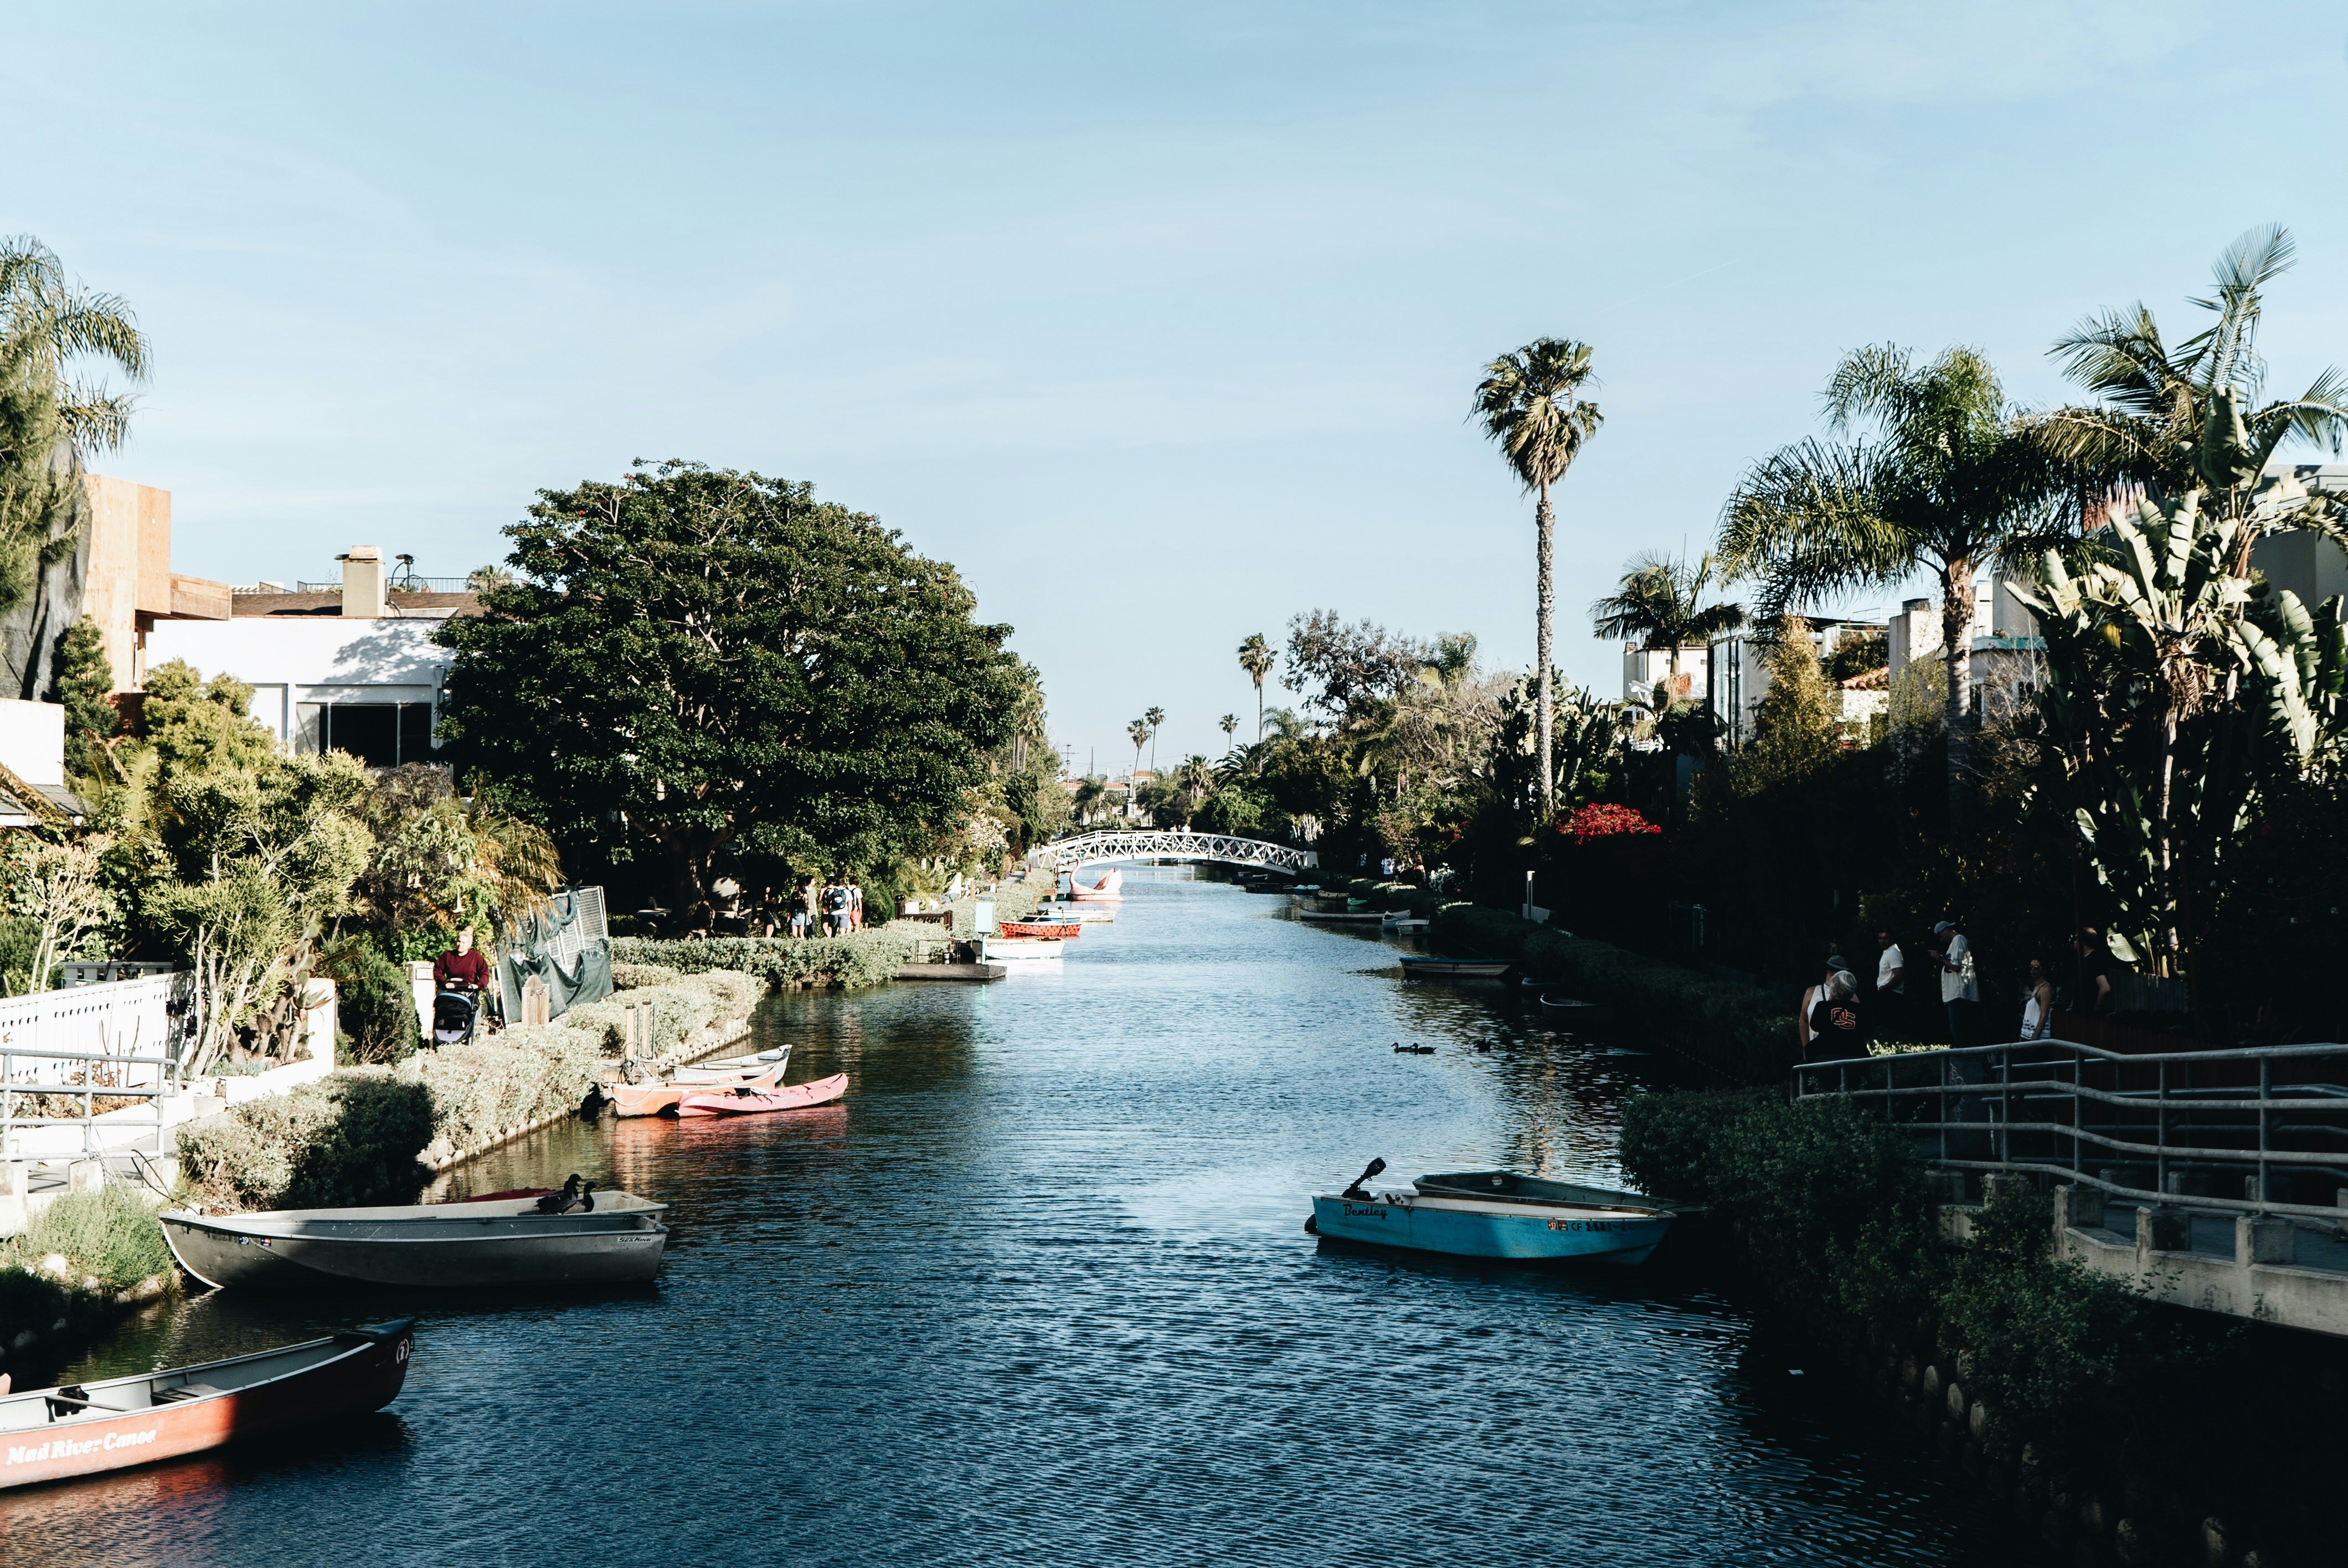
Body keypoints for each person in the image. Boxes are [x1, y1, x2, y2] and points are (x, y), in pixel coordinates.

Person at [1935, 920, 1979, 1047]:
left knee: (1960, 1030)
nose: (1941, 940)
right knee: (1957, 1029)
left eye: (1941, 936)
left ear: (1946, 931)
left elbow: (1956, 967)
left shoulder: (1959, 940)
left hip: (1959, 993)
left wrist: (1939, 957)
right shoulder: (1954, 944)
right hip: (1954, 994)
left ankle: (1963, 1058)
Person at [1806, 971, 1867, 1059]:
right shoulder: (1862, 1009)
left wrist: (1831, 998)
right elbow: (1868, 1031)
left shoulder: (1822, 1007)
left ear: (1833, 988)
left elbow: (1815, 1026)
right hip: (1856, 1053)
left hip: (1825, 1053)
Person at [1875, 930, 1907, 1038]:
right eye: (1880, 938)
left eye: (1885, 938)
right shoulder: (1888, 952)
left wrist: (1885, 988)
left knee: (1890, 1028)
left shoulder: (1893, 953)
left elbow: (1899, 976)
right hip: (1887, 994)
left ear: (1892, 938)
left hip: (1892, 995)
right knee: (1885, 1027)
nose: (1882, 941)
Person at [2022, 956, 2055, 1041]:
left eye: (2036, 967)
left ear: (2043, 970)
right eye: (2031, 967)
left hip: (2038, 1038)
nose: (2033, 970)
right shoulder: (2036, 988)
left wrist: (2035, 1037)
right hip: (2027, 1035)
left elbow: (2044, 1015)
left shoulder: (2045, 990)